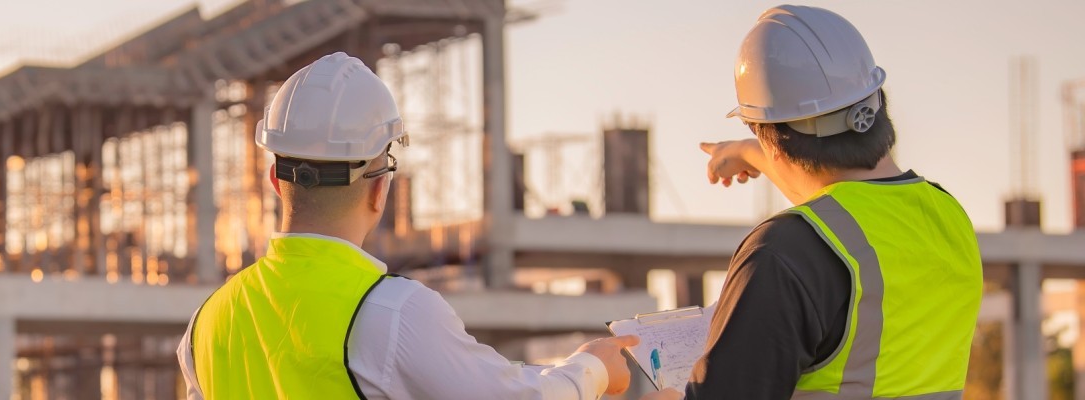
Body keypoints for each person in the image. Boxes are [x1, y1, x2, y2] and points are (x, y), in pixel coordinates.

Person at [175, 51, 640, 399]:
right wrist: (591, 368)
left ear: (275, 181)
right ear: (381, 190)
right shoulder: (391, 312)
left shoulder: (207, 322)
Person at [686, 5, 983, 399]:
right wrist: (748, 150)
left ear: (771, 138)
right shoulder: (949, 217)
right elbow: (845, 209)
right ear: (877, 101)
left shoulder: (779, 255)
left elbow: (824, 224)